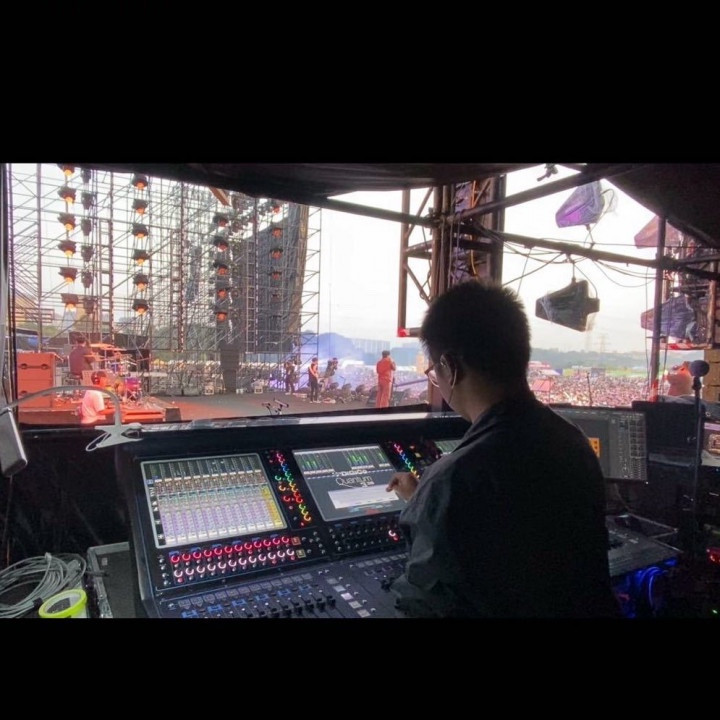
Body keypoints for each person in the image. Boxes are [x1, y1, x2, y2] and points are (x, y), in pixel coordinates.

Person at [385, 279, 620, 618]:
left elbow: (422, 605)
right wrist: (424, 500)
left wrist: (428, 503)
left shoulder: (453, 480)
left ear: (450, 367)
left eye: (435, 371)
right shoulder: (572, 440)